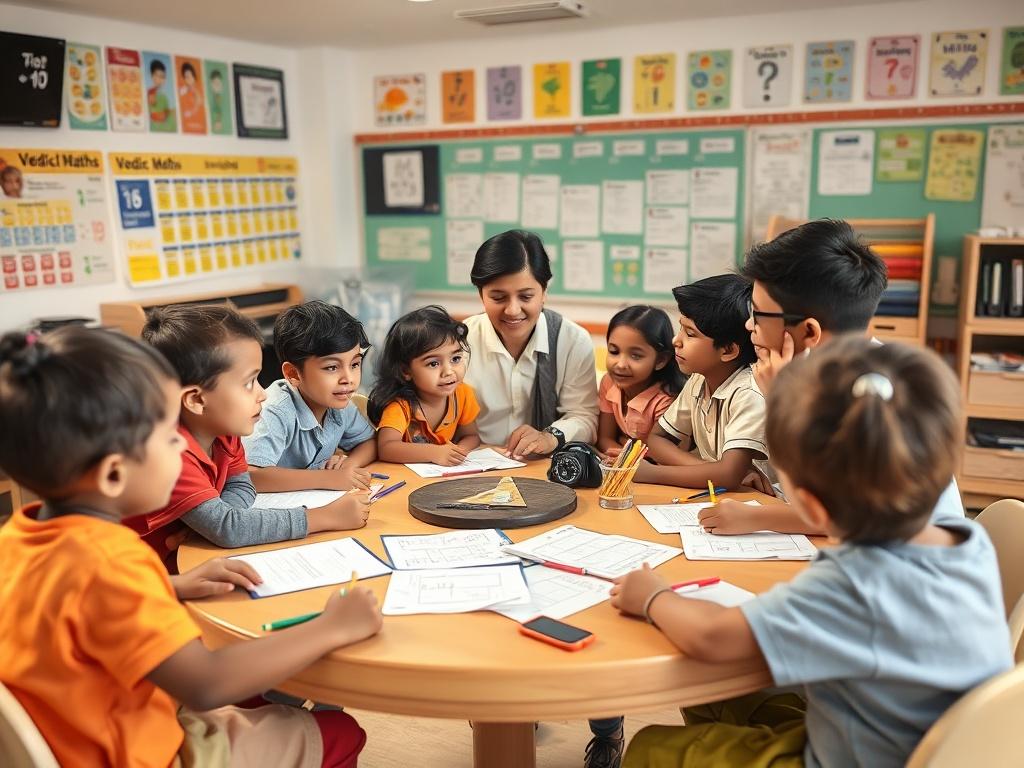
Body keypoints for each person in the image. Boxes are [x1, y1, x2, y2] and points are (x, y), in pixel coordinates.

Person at [612, 337, 1012, 768]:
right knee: (719, 698)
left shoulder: (852, 584)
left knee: (652, 749)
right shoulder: (964, 539)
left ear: (813, 505)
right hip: (928, 740)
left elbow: (713, 638)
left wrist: (652, 595)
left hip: (858, 757)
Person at [0, 327, 381, 767]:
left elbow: (67, 604)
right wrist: (332, 626)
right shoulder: (115, 560)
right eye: (168, 438)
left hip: (73, 735)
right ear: (112, 474)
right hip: (136, 751)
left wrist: (172, 585)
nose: (181, 449)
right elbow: (205, 684)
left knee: (265, 694)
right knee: (340, 732)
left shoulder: (19, 536)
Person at [700, 218, 965, 534]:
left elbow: (850, 516)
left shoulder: (875, 392)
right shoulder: (837, 369)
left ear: (810, 330)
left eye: (757, 314)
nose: (748, 326)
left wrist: (754, 517)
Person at [127, 305, 370, 571]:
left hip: (191, 563)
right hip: (142, 577)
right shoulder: (172, 455)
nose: (262, 394)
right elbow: (230, 528)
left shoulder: (225, 433)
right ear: (196, 399)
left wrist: (210, 524)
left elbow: (241, 488)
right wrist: (324, 517)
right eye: (248, 383)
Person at [463, 229, 599, 458]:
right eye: (498, 298)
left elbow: (584, 416)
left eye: (526, 297)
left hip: (543, 468)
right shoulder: (459, 344)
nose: (513, 310)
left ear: (544, 292)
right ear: (481, 295)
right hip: (471, 465)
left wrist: (550, 436)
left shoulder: (573, 341)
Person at [632, 274, 769, 489]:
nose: (676, 341)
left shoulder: (748, 393)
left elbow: (729, 475)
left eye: (690, 334)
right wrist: (710, 470)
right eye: (681, 328)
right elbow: (657, 439)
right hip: (725, 495)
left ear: (728, 350)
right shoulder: (698, 380)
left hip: (765, 504)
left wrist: (652, 473)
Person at [244, 301, 376, 492]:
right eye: (332, 367)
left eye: (355, 364)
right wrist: (327, 478)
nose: (348, 379)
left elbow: (370, 442)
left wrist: (348, 466)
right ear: (293, 374)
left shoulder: (341, 403)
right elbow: (252, 476)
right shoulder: (275, 410)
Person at [369, 305, 481, 465]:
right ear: (406, 371)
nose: (449, 372)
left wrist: (459, 452)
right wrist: (435, 453)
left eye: (455, 359)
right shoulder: (401, 406)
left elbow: (471, 436)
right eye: (434, 363)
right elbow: (386, 448)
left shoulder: (462, 394)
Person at [596, 305, 683, 458]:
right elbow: (605, 438)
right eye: (614, 351)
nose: (621, 364)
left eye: (635, 356)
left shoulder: (666, 400)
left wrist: (625, 460)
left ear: (661, 360)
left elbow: (664, 457)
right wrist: (622, 458)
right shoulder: (608, 383)